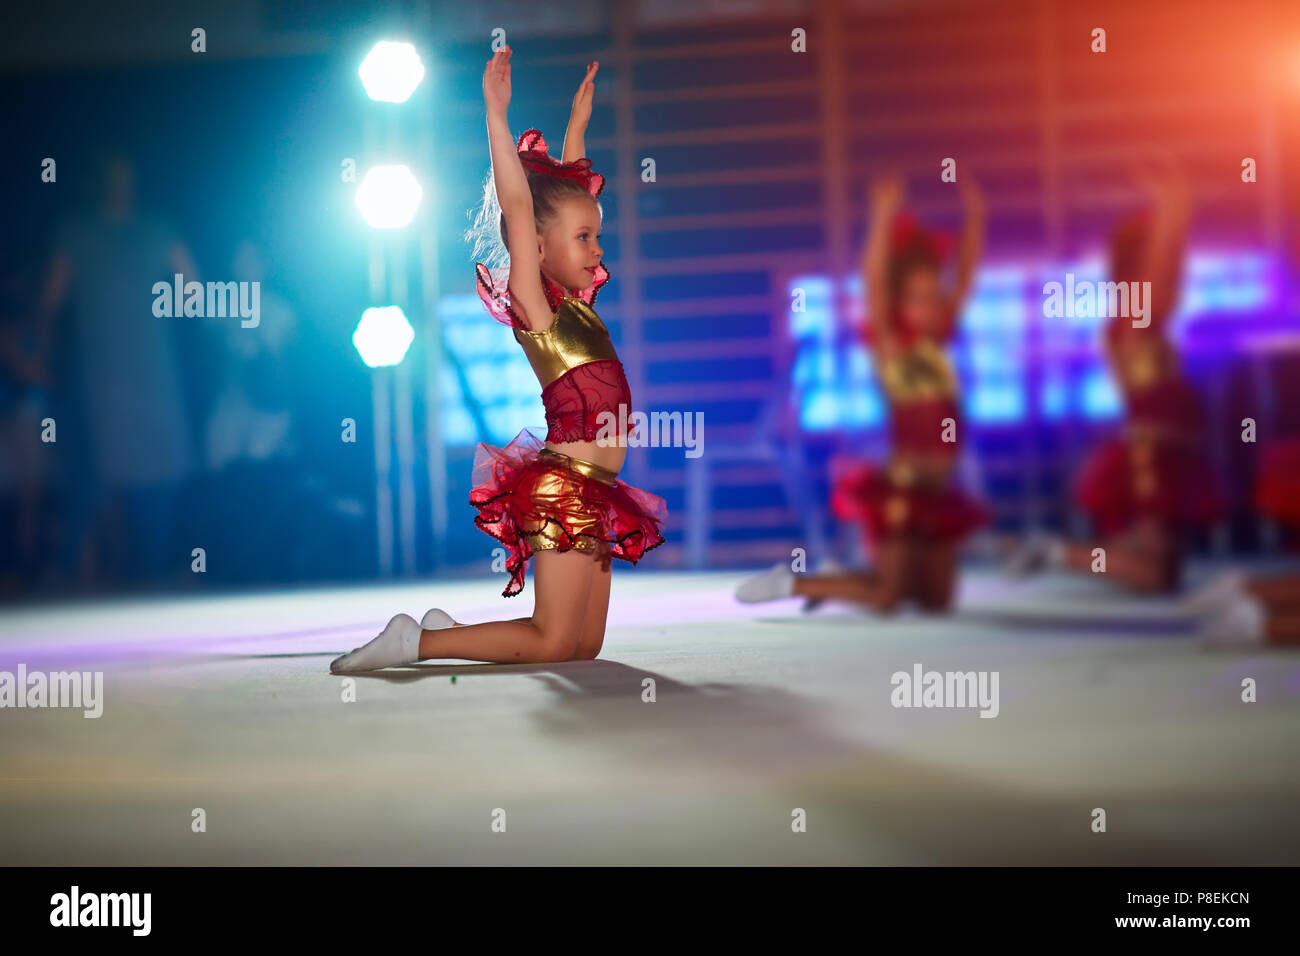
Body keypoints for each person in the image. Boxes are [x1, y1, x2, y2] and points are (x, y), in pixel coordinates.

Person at [332, 51, 666, 672]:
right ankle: (415, 641)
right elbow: (521, 207)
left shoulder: (579, 305)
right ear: (535, 249)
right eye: (585, 238)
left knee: (582, 648)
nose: (598, 247)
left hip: (599, 488)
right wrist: (495, 113)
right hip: (566, 486)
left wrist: (577, 127)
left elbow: (562, 197)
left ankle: (450, 630)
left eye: (597, 235)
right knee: (549, 641)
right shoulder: (537, 306)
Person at [735, 174, 988, 612]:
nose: (929, 306)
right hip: (903, 490)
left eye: (934, 296)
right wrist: (883, 217)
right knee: (888, 597)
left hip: (939, 496)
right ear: (897, 303)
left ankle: (845, 578)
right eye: (916, 298)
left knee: (935, 602)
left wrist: (977, 214)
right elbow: (873, 281)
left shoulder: (940, 338)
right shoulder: (892, 347)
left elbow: (963, 278)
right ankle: (796, 585)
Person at [1006, 163, 1222, 593]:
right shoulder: (1136, 314)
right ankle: (1055, 552)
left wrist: (1174, 211)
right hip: (1151, 458)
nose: (1174, 273)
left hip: (1169, 456)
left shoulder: (1145, 318)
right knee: (1156, 575)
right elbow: (1165, 269)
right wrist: (1174, 209)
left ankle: (1058, 550)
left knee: (1162, 570)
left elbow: (1168, 270)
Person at [29, 149, 201, 592]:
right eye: (109, 176)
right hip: (98, 374)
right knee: (94, 474)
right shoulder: (77, 231)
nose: (117, 185)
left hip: (152, 368)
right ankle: (76, 579)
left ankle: (155, 574)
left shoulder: (156, 230)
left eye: (124, 176)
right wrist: (44, 358)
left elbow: (193, 291)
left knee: (159, 468)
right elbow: (50, 300)